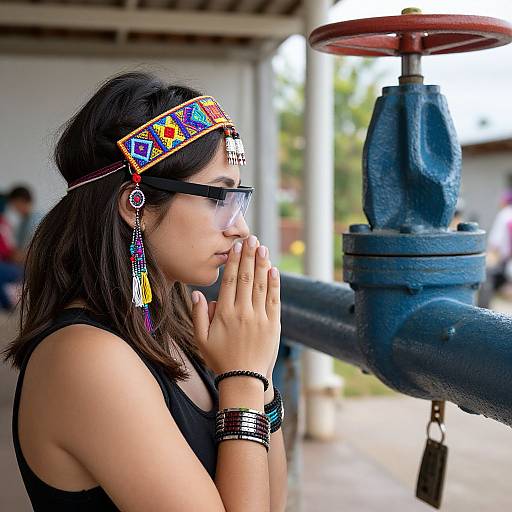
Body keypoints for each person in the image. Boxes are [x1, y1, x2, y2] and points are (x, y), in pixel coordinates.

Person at [3, 72, 286, 511]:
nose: (240, 227)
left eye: (238, 200)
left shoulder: (175, 331)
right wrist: (245, 380)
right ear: (134, 203)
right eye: (218, 197)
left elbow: (270, 502)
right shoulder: (85, 357)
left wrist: (258, 373)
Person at [6, 185, 44, 256]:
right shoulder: (22, 222)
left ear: (20, 201)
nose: (13, 208)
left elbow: (31, 252)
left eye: (13, 204)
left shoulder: (37, 220)